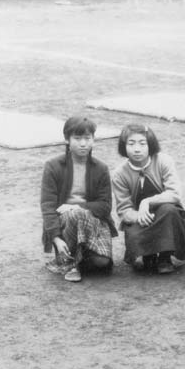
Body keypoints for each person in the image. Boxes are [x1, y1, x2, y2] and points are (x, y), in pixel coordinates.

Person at [40, 115, 117, 282]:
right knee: (75, 215)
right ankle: (72, 264)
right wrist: (56, 239)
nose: (83, 143)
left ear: (93, 140)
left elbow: (105, 206)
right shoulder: (53, 166)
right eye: (77, 138)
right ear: (67, 139)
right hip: (65, 225)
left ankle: (79, 258)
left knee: (102, 264)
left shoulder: (101, 168)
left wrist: (76, 206)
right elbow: (48, 206)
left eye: (87, 138)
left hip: (92, 220)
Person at [111, 123, 185, 274]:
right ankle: (148, 256)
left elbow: (174, 193)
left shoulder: (163, 161)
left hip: (164, 212)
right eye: (131, 143)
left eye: (142, 143)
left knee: (169, 210)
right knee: (136, 231)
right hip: (140, 218)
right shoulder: (119, 174)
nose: (137, 149)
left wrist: (147, 202)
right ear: (124, 146)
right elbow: (124, 210)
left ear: (150, 144)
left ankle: (165, 257)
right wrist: (140, 216)